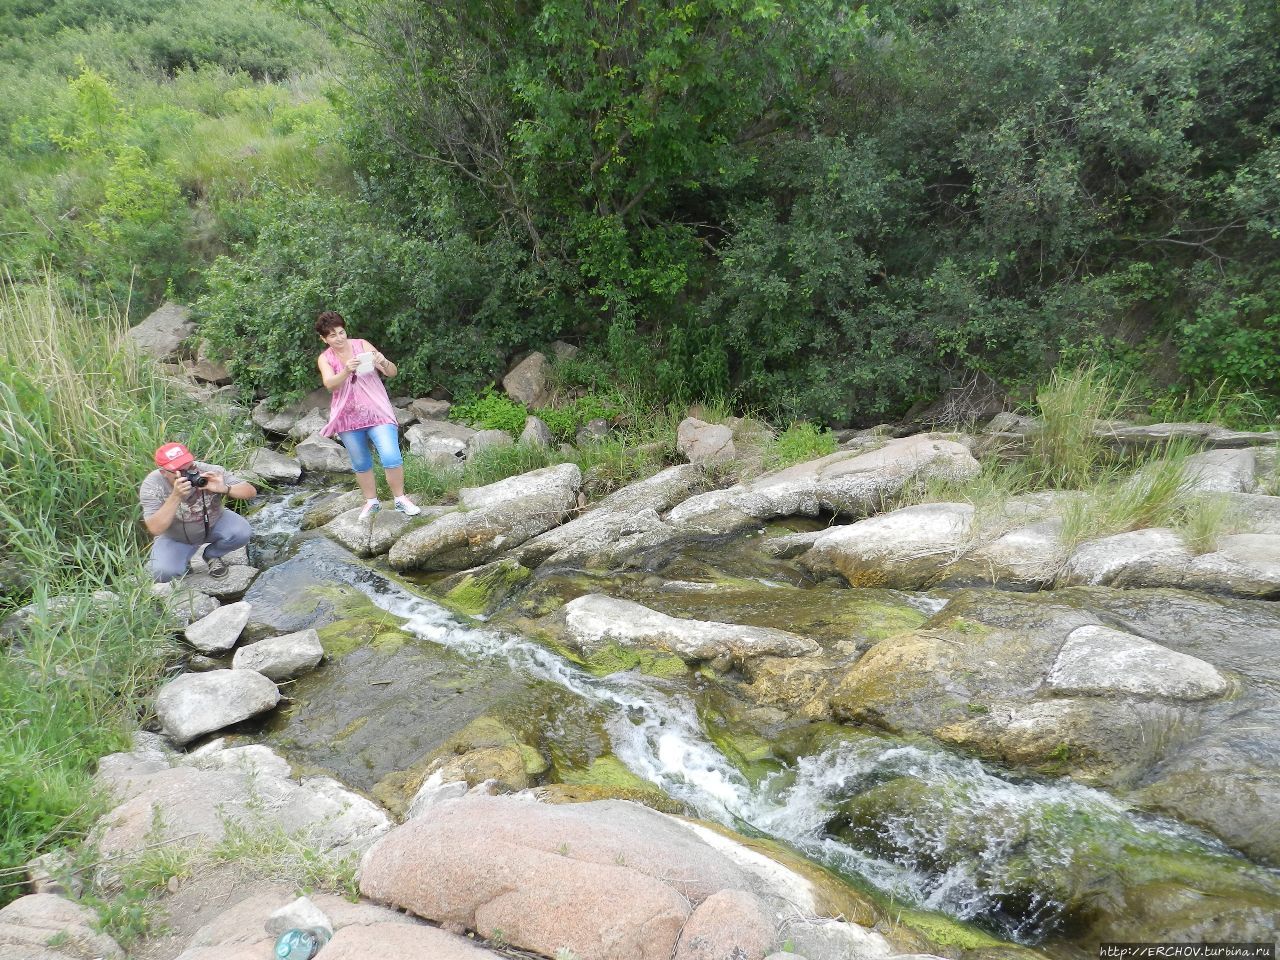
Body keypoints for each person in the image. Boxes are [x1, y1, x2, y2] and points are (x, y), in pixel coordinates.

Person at [315, 310, 421, 520]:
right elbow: (329, 384)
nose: (339, 338)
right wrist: (346, 370)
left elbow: (392, 372)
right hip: (347, 417)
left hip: (377, 411)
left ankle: (400, 499)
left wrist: (382, 361)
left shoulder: (362, 344)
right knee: (360, 461)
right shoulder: (325, 358)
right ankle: (371, 502)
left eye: (341, 332)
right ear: (324, 339)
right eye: (332, 335)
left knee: (391, 455)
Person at [140, 442, 257, 582]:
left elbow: (250, 492)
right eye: (180, 471)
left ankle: (212, 555)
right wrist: (175, 496)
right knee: (162, 573)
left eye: (190, 467)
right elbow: (155, 528)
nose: (188, 473)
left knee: (242, 532)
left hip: (214, 523)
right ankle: (183, 561)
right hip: (176, 536)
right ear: (164, 472)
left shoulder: (208, 471)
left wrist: (225, 488)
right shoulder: (152, 485)